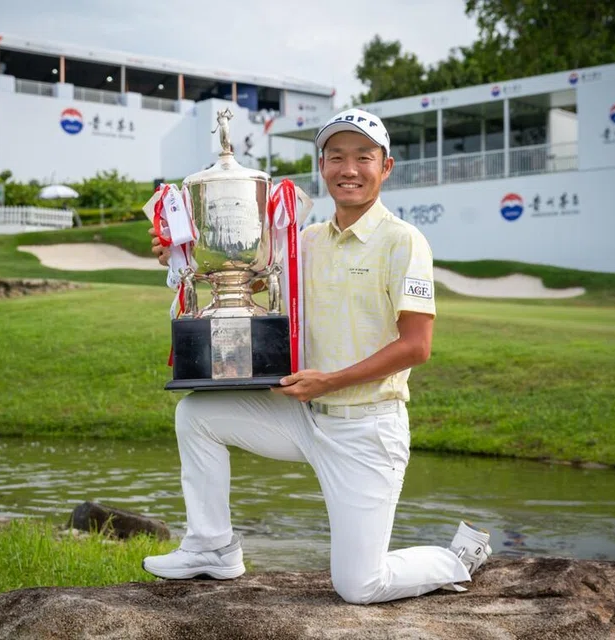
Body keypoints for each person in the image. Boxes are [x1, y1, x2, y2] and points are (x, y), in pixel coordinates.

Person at [142, 108, 493, 604]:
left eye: (363, 158)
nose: (349, 169)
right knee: (196, 413)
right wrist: (180, 255)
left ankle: (457, 557)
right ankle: (212, 547)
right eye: (336, 158)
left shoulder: (403, 240)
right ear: (323, 166)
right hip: (305, 418)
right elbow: (245, 291)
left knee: (359, 586)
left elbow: (417, 345)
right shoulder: (301, 241)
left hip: (366, 430)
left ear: (385, 167)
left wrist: (330, 381)